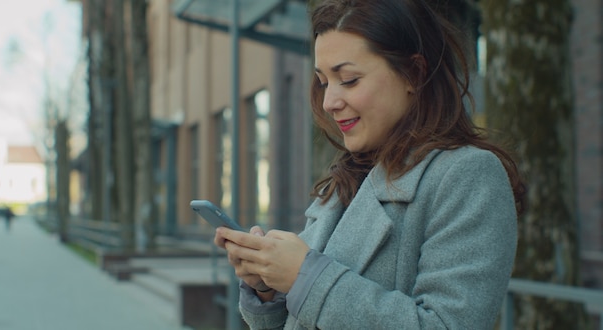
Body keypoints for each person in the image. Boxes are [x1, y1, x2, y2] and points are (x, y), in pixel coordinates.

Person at [214, 0, 526, 328]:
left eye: (348, 79)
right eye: (323, 82)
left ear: (414, 73)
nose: (330, 102)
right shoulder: (346, 179)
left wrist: (305, 277)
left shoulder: (469, 175)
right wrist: (268, 286)